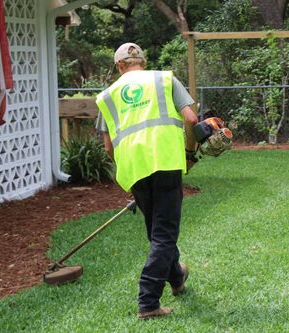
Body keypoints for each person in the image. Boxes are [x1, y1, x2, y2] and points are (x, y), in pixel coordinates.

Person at [95, 42, 198, 320]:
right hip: (166, 162)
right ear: (143, 60)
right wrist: (190, 152)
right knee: (164, 234)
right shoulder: (164, 79)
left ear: (119, 66)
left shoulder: (107, 96)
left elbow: (108, 148)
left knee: (157, 232)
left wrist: (129, 166)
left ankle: (176, 276)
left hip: (134, 170)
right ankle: (148, 302)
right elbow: (191, 117)